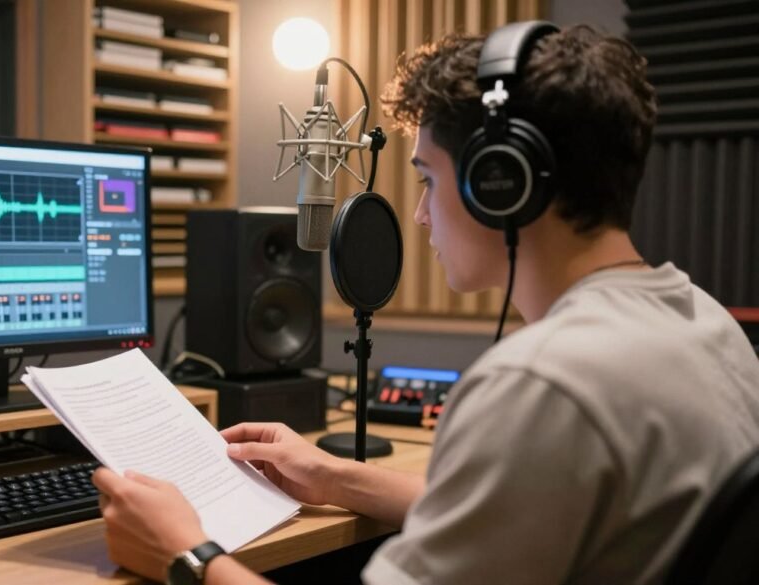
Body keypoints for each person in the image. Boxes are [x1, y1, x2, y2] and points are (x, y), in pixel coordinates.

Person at [92, 23, 759, 585]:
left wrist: (186, 552)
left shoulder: (542, 384)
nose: (418, 214)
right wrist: (336, 476)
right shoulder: (704, 321)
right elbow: (505, 510)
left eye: (428, 178)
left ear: (500, 183)